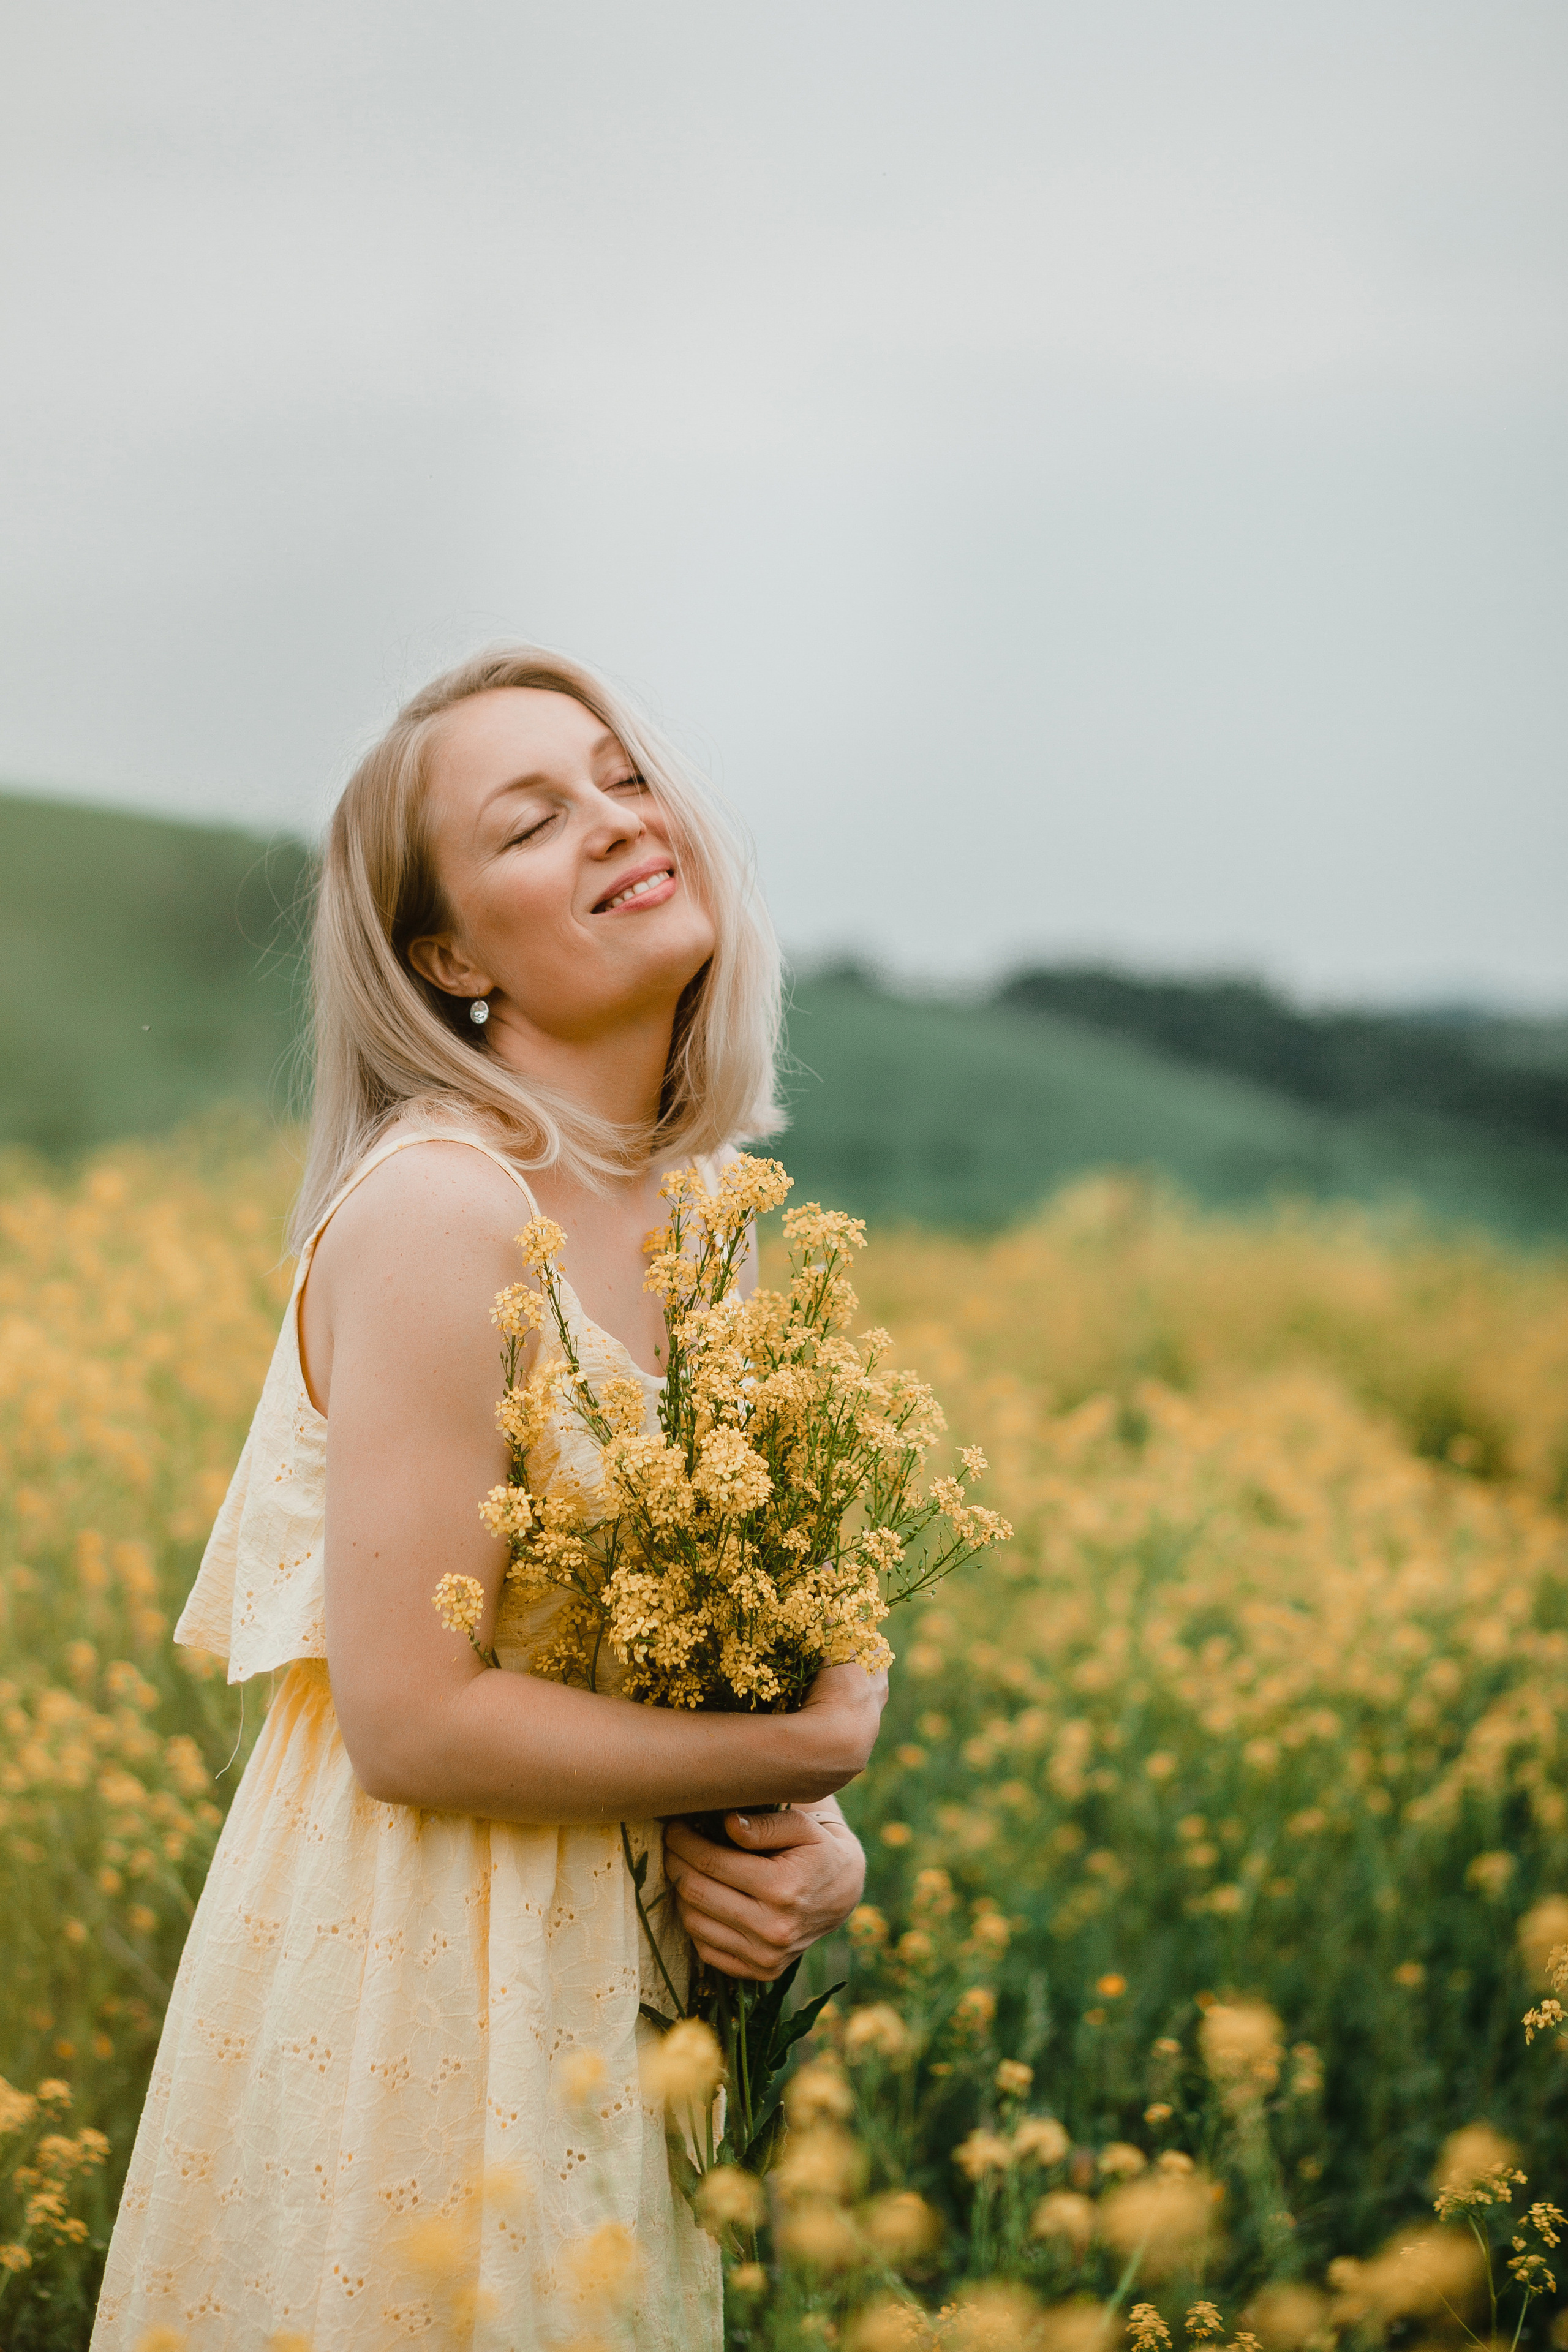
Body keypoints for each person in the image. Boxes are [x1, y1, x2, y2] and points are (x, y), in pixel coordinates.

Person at [92, 647, 886, 2351]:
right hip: (421, 1980)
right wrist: (807, 1754)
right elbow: (412, 1722)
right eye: (534, 822)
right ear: (446, 958)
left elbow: (717, 1668)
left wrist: (808, 1853)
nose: (615, 823)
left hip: (612, 1994)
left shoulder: (714, 1218)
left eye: (620, 777)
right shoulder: (440, 1212)